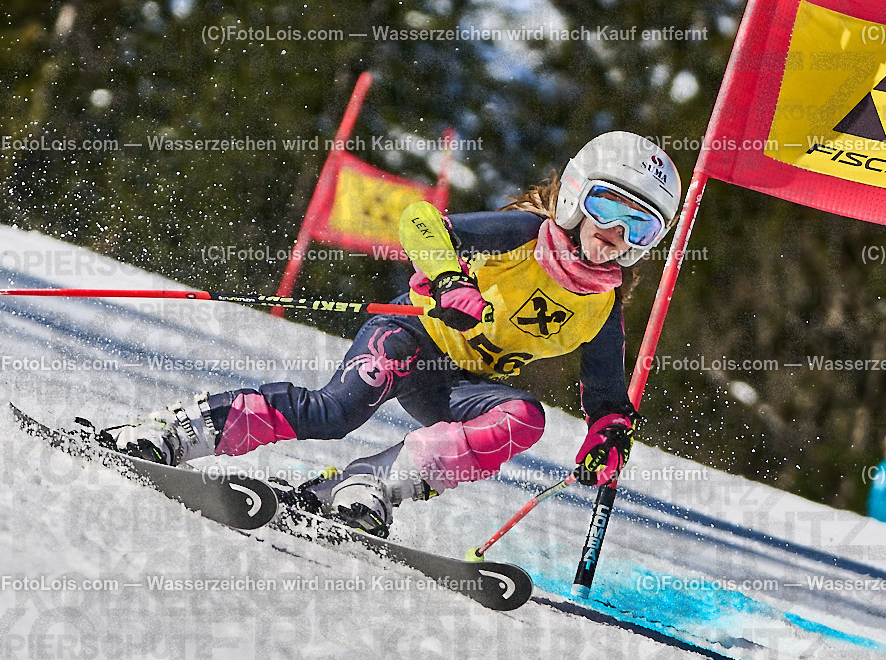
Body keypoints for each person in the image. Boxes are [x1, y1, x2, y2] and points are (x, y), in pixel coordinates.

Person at [103, 131, 682, 536]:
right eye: (609, 207)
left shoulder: (601, 307)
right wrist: (449, 280)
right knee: (334, 412)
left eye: (641, 225)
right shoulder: (523, 236)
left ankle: (365, 489)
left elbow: (607, 398)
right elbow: (420, 222)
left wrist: (609, 435)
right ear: (578, 195)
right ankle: (179, 432)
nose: (615, 234)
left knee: (523, 419)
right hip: (410, 341)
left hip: (459, 389)